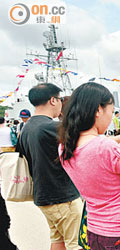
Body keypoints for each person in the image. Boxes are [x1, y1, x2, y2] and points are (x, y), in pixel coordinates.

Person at [58, 82, 120, 249]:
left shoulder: (64, 147)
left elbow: (93, 151)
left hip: (96, 232)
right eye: (111, 112)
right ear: (98, 110)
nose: (111, 118)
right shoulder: (106, 148)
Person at [15, 83, 82, 250]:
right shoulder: (51, 127)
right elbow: (85, 143)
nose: (60, 104)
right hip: (61, 196)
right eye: (59, 99)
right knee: (76, 244)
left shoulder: (26, 128)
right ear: (53, 100)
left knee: (57, 239)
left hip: (43, 196)